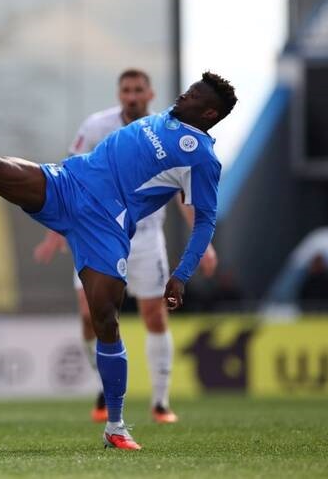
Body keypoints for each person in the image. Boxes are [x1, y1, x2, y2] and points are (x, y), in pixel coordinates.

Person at [0, 71, 236, 450]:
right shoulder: (162, 117)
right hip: (66, 184)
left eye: (193, 96)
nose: (182, 97)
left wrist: (182, 273)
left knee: (105, 319)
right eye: (187, 90)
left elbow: (205, 220)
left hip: (105, 226)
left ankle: (116, 425)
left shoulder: (203, 159)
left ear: (208, 114)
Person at [33, 69, 218, 424]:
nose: (131, 96)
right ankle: (106, 387)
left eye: (138, 90)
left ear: (150, 94)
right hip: (95, 233)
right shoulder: (96, 126)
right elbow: (69, 176)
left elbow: (184, 193)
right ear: (119, 94)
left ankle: (160, 402)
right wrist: (56, 231)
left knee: (154, 314)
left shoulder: (166, 131)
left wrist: (203, 244)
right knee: (89, 316)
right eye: (126, 90)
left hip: (145, 237)